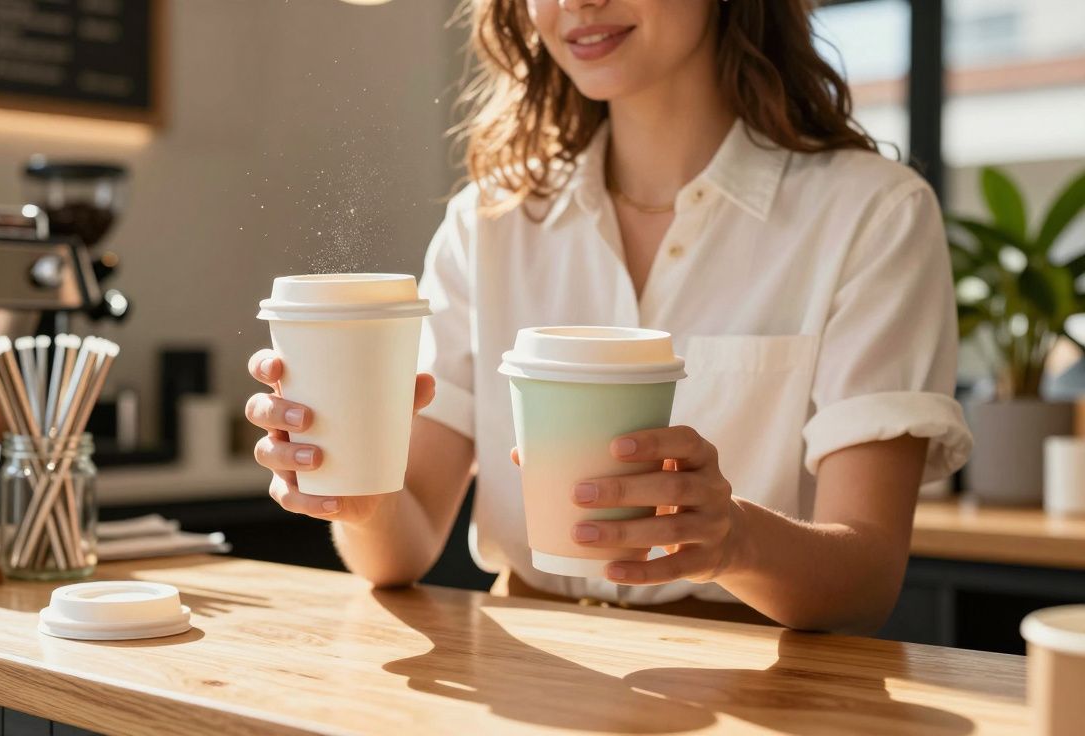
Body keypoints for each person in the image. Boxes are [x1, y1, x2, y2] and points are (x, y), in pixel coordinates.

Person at [245, 0, 971, 633]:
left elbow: (867, 578)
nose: (577, 2)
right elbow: (401, 552)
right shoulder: (489, 224)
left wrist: (735, 539)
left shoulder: (872, 216)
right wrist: (352, 486)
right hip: (529, 683)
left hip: (760, 684)